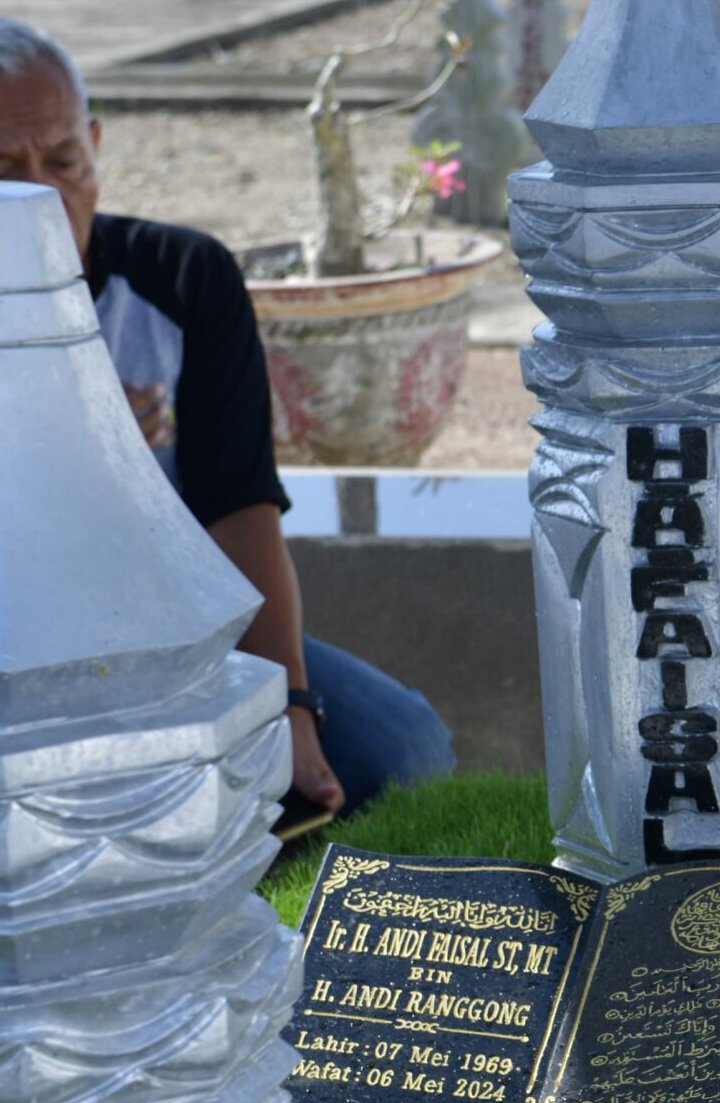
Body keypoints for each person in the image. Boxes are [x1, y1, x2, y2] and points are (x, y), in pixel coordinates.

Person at [0, 18, 454, 817]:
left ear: (95, 148)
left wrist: (291, 706)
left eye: (63, 162)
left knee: (402, 753)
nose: (43, 197)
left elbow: (238, 508)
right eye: (5, 174)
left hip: (173, 628)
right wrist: (78, 452)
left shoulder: (183, 279)